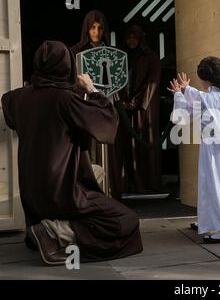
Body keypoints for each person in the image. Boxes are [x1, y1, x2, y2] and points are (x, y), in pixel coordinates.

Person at [1, 41, 143, 265]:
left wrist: (31, 88)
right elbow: (106, 122)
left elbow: (7, 100)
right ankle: (55, 231)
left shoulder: (18, 99)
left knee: (96, 172)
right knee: (127, 220)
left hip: (31, 193)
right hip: (60, 192)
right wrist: (92, 90)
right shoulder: (65, 100)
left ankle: (45, 228)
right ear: (67, 66)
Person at [168, 57, 220, 243]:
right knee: (211, 186)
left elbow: (188, 109)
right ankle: (210, 222)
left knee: (217, 187)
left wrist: (180, 92)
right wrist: (183, 92)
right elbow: (188, 113)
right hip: (217, 149)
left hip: (216, 149)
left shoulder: (212, 98)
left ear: (207, 79)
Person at [109, 24, 162, 198]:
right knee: (125, 144)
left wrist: (137, 102)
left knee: (142, 142)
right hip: (124, 108)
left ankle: (145, 182)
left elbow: (152, 81)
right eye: (129, 37)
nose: (131, 40)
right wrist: (121, 102)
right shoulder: (121, 56)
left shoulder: (151, 57)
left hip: (142, 110)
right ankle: (127, 183)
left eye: (135, 37)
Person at [70, 10, 110, 185]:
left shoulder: (110, 52)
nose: (96, 32)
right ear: (87, 29)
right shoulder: (75, 51)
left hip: (104, 105)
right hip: (83, 106)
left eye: (100, 28)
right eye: (93, 27)